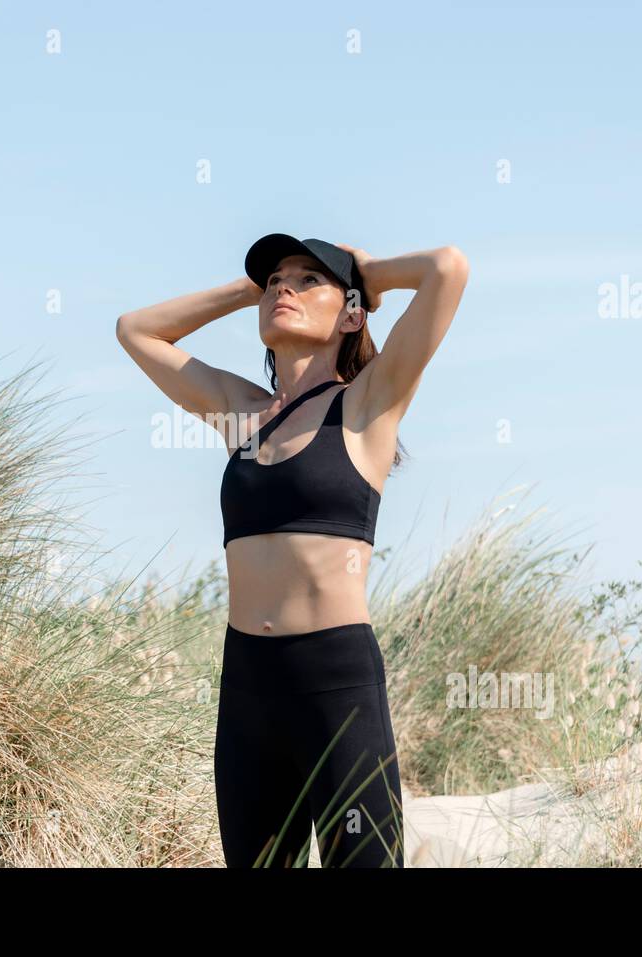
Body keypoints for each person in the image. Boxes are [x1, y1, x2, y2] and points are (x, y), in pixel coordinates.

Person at [115, 233, 469, 866]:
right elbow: (137, 330)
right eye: (276, 279)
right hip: (249, 683)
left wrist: (363, 272)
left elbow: (447, 268)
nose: (285, 287)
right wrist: (254, 288)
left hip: (334, 681)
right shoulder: (241, 414)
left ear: (352, 313)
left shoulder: (367, 406)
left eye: (310, 280)